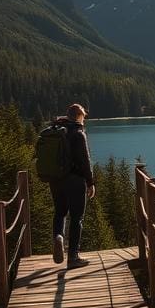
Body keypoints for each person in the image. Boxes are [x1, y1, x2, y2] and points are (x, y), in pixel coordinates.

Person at [50, 103, 96, 268]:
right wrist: (90, 183)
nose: (85, 118)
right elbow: (85, 161)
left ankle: (58, 237)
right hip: (75, 180)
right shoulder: (78, 133)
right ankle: (73, 257)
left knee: (60, 212)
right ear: (79, 115)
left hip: (55, 179)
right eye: (84, 115)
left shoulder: (56, 130)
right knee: (77, 218)